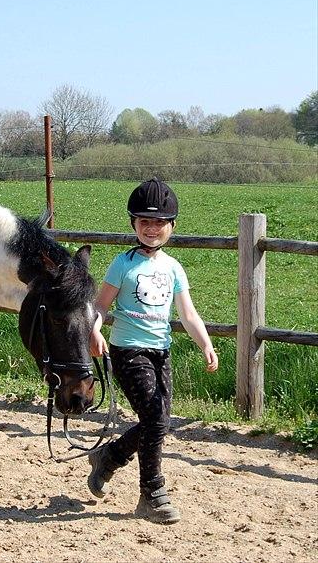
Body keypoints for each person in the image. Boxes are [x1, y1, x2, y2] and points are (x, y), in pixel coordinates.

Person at [88, 177, 218, 524]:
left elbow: (188, 314)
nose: (152, 228)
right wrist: (95, 330)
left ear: (171, 227)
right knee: (156, 420)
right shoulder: (123, 264)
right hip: (128, 350)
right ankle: (152, 493)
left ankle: (110, 457)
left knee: (157, 423)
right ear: (134, 224)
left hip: (161, 351)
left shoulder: (173, 268)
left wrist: (205, 343)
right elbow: (100, 306)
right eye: (145, 222)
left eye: (159, 222)